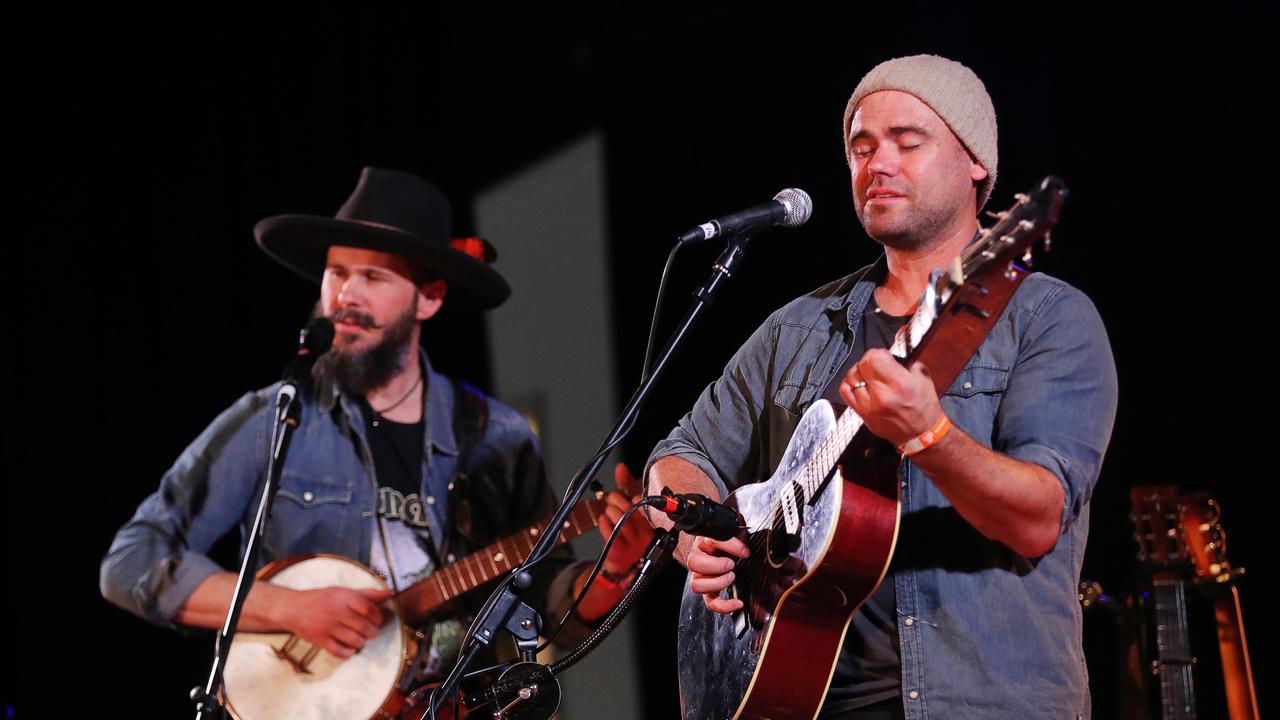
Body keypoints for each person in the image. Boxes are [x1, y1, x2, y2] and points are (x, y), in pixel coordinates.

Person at [644, 55, 1118, 719]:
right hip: (799, 698)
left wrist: (931, 435)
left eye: (908, 141)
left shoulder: (1048, 319)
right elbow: (680, 454)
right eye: (860, 147)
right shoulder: (798, 328)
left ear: (977, 163)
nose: (878, 164)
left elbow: (1038, 518)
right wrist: (696, 531)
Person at [100, 167, 649, 686]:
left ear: (429, 297)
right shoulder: (277, 417)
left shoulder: (497, 437)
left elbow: (551, 607)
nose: (345, 296)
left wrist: (612, 571)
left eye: (373, 276)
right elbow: (133, 562)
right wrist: (293, 608)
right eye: (336, 272)